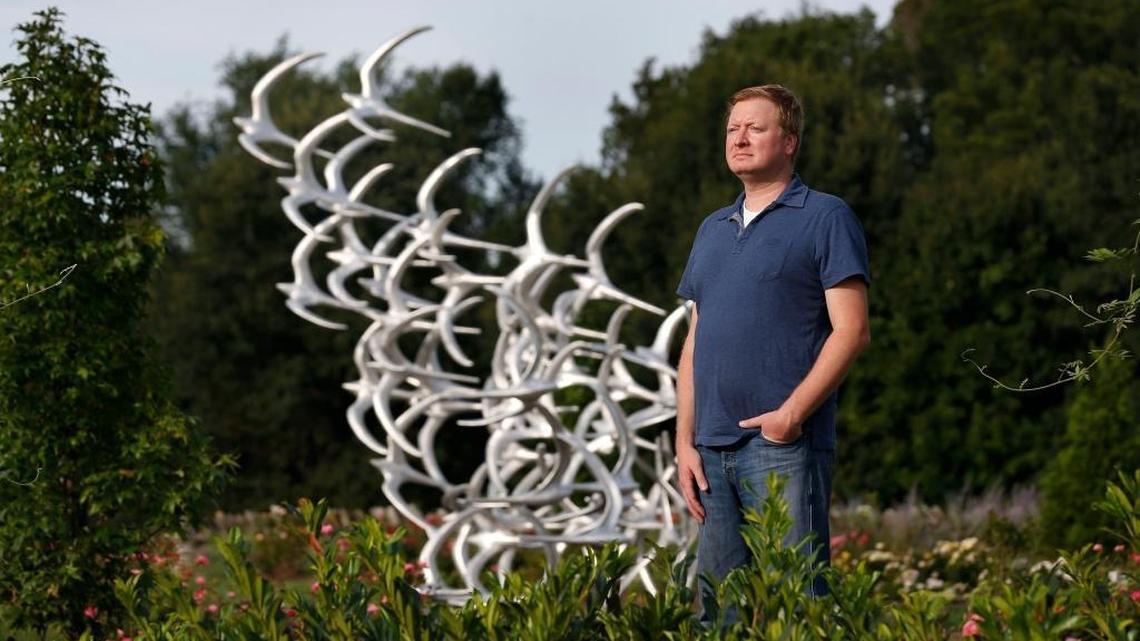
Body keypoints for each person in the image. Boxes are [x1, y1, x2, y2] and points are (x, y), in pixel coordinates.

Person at [674, 84, 871, 606]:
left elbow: (852, 330)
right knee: (720, 611)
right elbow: (696, 340)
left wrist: (791, 416)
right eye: (733, 129)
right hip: (711, 452)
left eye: (755, 128)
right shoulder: (711, 229)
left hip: (784, 445)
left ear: (789, 141)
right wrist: (683, 441)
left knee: (799, 602)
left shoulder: (826, 217)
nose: (739, 138)